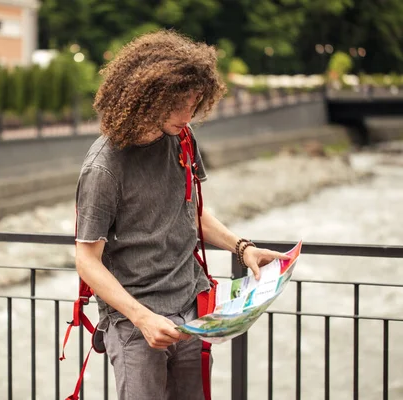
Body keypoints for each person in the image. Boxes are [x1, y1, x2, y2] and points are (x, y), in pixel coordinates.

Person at [74, 30, 290, 400]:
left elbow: (193, 213)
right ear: (147, 97)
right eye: (180, 104)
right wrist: (141, 318)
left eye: (195, 102)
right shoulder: (103, 167)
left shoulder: (181, 138)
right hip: (135, 324)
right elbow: (86, 260)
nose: (189, 114)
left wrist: (242, 249)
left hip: (192, 311)